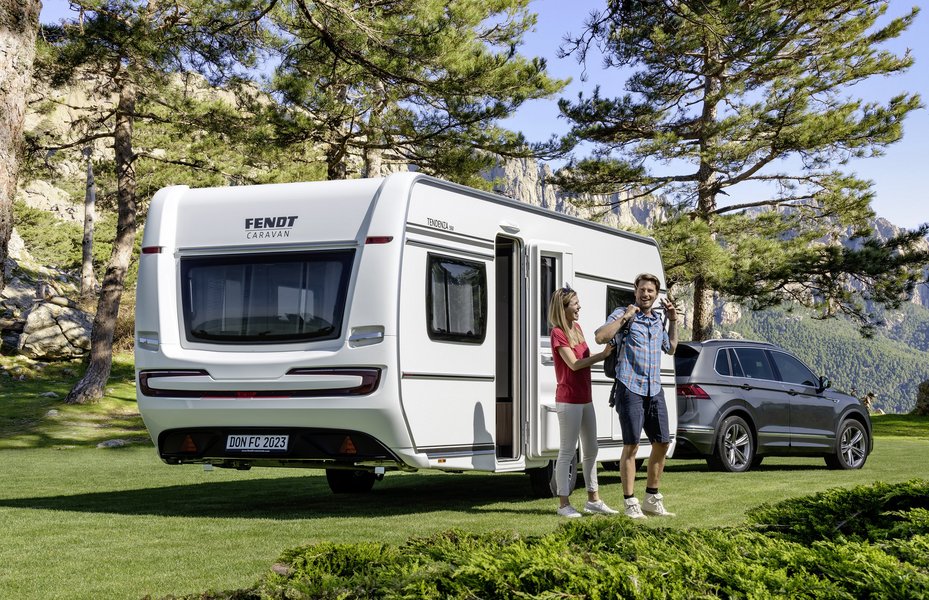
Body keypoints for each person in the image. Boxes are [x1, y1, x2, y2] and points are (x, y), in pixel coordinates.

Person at [595, 273, 678, 519]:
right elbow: (600, 336)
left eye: (651, 291)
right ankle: (630, 502)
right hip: (629, 388)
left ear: (656, 293)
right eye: (642, 289)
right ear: (636, 291)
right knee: (631, 446)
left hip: (654, 389)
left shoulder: (658, 320)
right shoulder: (623, 314)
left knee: (662, 442)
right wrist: (625, 317)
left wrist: (673, 321)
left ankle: (652, 498)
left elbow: (671, 348)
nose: (646, 294)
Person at [548, 286, 618, 518]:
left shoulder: (576, 328)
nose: (579, 307)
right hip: (568, 399)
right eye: (575, 304)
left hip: (585, 397)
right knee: (568, 451)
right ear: (563, 307)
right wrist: (603, 355)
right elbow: (575, 364)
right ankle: (563, 504)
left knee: (591, 450)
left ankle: (593, 499)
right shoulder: (557, 332)